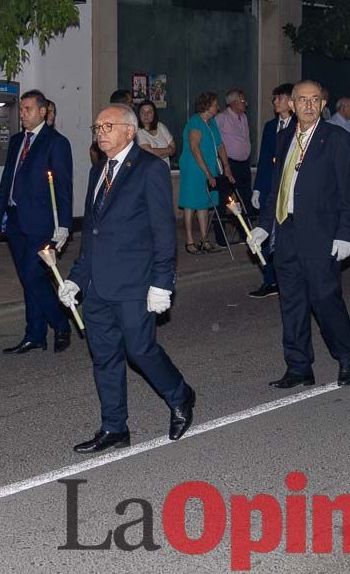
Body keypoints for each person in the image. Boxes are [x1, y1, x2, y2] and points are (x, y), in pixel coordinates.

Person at [58, 103, 196, 453]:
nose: (100, 133)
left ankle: (180, 395)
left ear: (129, 131)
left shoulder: (149, 169)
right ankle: (114, 427)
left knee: (140, 350)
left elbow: (163, 231)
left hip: (136, 283)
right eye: (97, 127)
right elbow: (92, 232)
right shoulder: (98, 171)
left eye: (108, 126)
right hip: (98, 286)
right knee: (104, 356)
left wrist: (163, 282)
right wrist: (76, 278)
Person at [250, 80, 350, 389]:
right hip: (287, 232)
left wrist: (345, 234)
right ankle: (299, 366)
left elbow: (348, 190)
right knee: (292, 302)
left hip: (322, 234)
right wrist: (263, 224)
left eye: (315, 100)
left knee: (325, 299)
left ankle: (347, 356)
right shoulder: (284, 136)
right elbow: (278, 187)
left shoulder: (335, 137)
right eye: (302, 100)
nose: (309, 105)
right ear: (292, 105)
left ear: (323, 104)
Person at [0, 90, 73, 354]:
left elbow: (63, 186)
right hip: (14, 222)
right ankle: (35, 333)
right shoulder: (16, 142)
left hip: (42, 222)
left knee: (33, 275)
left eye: (27, 109)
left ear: (42, 111)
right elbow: (6, 183)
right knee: (27, 279)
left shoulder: (56, 142)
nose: (21, 114)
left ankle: (61, 323)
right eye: (21, 109)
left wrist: (64, 224)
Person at [248, 83, 294, 299]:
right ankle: (269, 280)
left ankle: (287, 279)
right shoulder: (269, 126)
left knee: (285, 239)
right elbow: (265, 160)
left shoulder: (298, 126)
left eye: (279, 98)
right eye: (274, 98)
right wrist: (257, 189)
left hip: (288, 192)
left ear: (290, 101)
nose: (275, 102)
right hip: (269, 190)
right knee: (264, 236)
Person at [178, 92, 231, 254]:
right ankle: (189, 241)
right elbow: (194, 148)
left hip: (208, 166)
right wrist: (208, 173)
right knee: (191, 204)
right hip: (194, 168)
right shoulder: (195, 121)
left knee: (204, 203)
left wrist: (226, 166)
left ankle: (204, 239)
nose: (218, 107)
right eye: (215, 104)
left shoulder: (212, 122)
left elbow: (220, 145)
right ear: (207, 106)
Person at [214, 89, 253, 211]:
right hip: (229, 163)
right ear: (233, 103)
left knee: (245, 196)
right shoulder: (222, 117)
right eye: (242, 100)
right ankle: (220, 229)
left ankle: (245, 228)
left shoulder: (244, 117)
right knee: (224, 197)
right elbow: (214, 139)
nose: (245, 103)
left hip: (244, 163)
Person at [91, 90, 134, 165]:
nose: (132, 106)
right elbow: (93, 151)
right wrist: (99, 168)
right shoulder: (105, 121)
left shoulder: (131, 121)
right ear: (124, 104)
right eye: (130, 102)